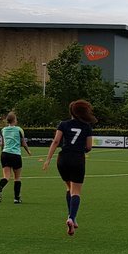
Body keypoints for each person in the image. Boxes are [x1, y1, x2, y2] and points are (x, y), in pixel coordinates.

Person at [41, 100, 96, 236]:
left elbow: (56, 141)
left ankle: (72, 217)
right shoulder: (87, 127)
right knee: (76, 191)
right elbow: (89, 147)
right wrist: (81, 149)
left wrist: (48, 159)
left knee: (69, 187)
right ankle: (71, 217)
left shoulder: (63, 124)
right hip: (77, 159)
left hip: (63, 159)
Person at [0, 112, 31, 204]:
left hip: (5, 154)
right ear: (14, 120)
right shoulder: (19, 129)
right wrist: (28, 151)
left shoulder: (3, 130)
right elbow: (23, 143)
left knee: (6, 176)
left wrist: (2, 152)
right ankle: (16, 198)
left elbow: (2, 143)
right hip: (15, 155)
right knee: (17, 177)